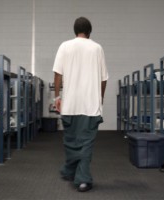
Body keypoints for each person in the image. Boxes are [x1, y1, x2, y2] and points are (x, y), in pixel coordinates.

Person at [52, 16, 108, 192]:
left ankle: (71, 170)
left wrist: (57, 97)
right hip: (90, 105)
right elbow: (104, 78)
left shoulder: (64, 46)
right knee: (86, 143)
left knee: (71, 140)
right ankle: (80, 178)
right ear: (89, 32)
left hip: (70, 104)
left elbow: (57, 75)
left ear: (75, 31)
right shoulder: (97, 48)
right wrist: (100, 98)